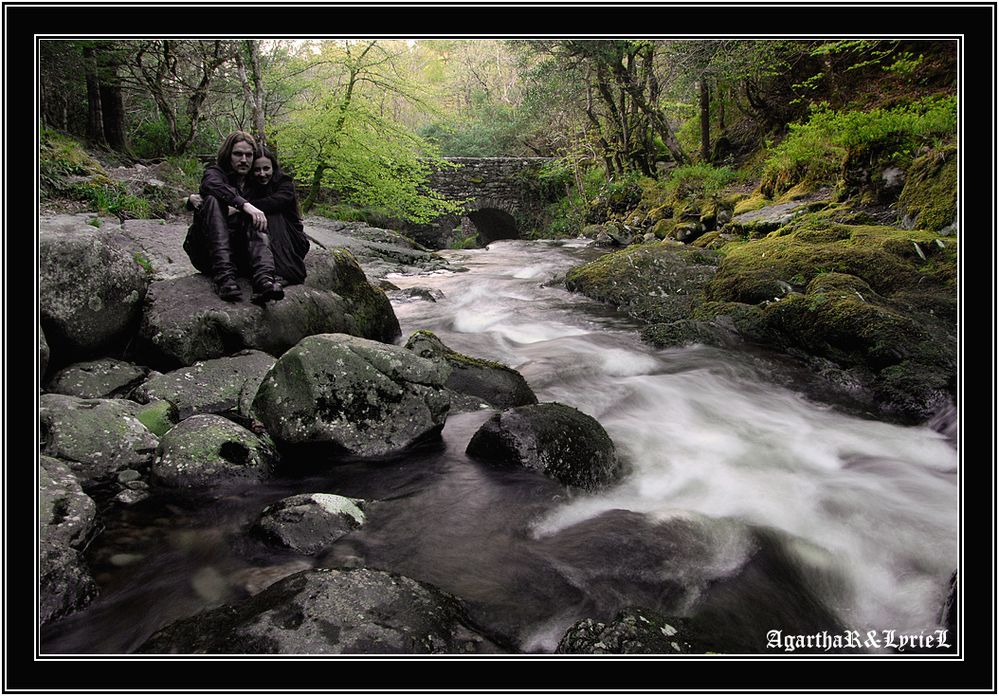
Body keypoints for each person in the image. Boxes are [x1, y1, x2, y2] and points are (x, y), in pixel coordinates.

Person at [183, 131, 284, 305]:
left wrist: (243, 209)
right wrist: (244, 205)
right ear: (228, 154)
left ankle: (264, 280)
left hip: (242, 255)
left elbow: (285, 190)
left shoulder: (257, 182)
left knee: (255, 215)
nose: (244, 160)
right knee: (213, 200)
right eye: (238, 154)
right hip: (207, 253)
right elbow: (210, 184)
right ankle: (224, 278)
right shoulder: (215, 173)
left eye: (248, 155)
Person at [246, 147, 310, 286]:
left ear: (273, 168)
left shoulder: (285, 184)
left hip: (292, 240)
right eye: (257, 170)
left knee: (271, 214)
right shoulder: (249, 187)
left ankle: (289, 271)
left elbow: (276, 202)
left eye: (266, 168)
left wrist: (244, 206)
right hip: (260, 242)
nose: (262, 174)